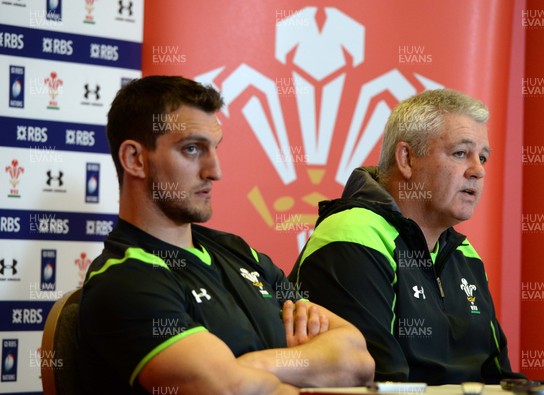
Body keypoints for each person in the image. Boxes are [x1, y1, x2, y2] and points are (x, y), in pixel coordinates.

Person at [77, 75, 374, 395]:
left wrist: (258, 364)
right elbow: (227, 390)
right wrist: (301, 366)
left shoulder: (238, 252)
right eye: (192, 149)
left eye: (214, 148)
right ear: (135, 159)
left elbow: (357, 360)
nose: (214, 171)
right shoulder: (125, 278)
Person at [289, 89, 524, 384]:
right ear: (406, 159)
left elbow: (498, 377)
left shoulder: (464, 254)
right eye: (461, 153)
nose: (478, 171)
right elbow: (380, 383)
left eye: (484, 157)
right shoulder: (352, 236)